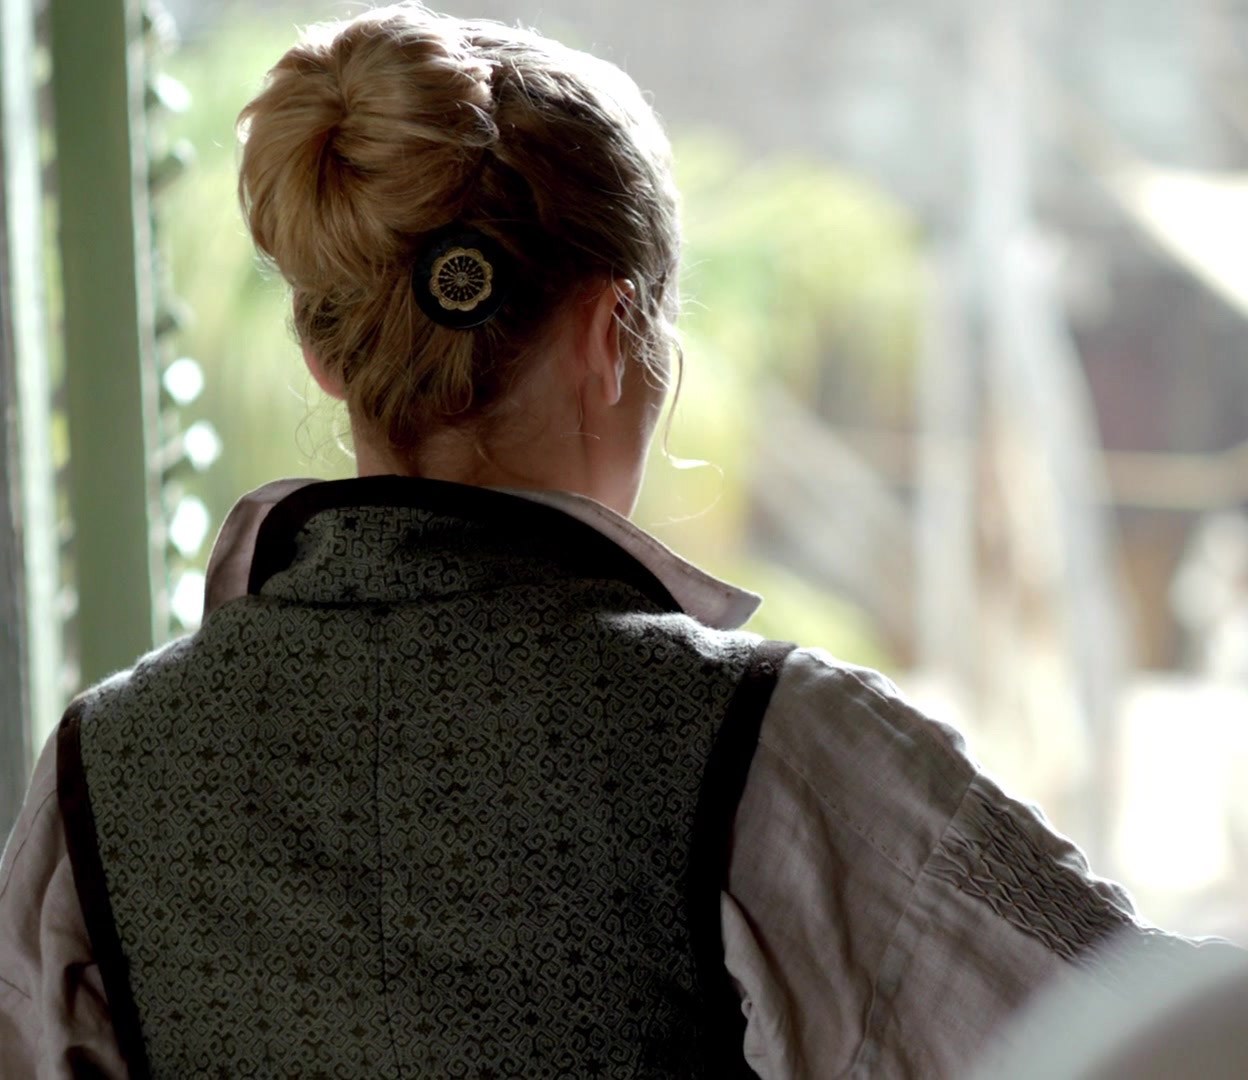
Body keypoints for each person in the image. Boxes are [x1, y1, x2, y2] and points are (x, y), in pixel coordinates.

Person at [0, 4, 1234, 1077]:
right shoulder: (775, 748)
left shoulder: (96, 772)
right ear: (609, 335)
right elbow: (1171, 1038)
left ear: (324, 358)